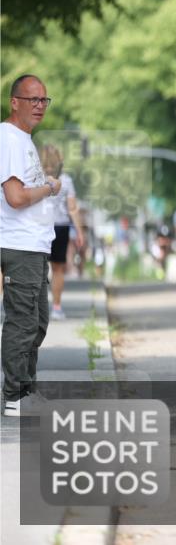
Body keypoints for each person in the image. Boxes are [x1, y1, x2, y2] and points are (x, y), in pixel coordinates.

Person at [1, 74, 60, 417]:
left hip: (33, 246)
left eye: (44, 101)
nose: (40, 106)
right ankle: (14, 395)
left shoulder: (22, 139)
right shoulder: (8, 138)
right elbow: (16, 196)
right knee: (23, 323)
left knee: (37, 322)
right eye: (32, 99)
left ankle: (26, 389)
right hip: (19, 244)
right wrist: (50, 188)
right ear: (14, 102)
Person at [39, 144, 84, 319]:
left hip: (39, 226)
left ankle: (34, 308)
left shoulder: (34, 178)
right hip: (61, 227)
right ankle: (56, 308)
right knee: (58, 270)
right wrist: (79, 231)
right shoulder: (66, 180)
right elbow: (72, 209)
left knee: (37, 268)